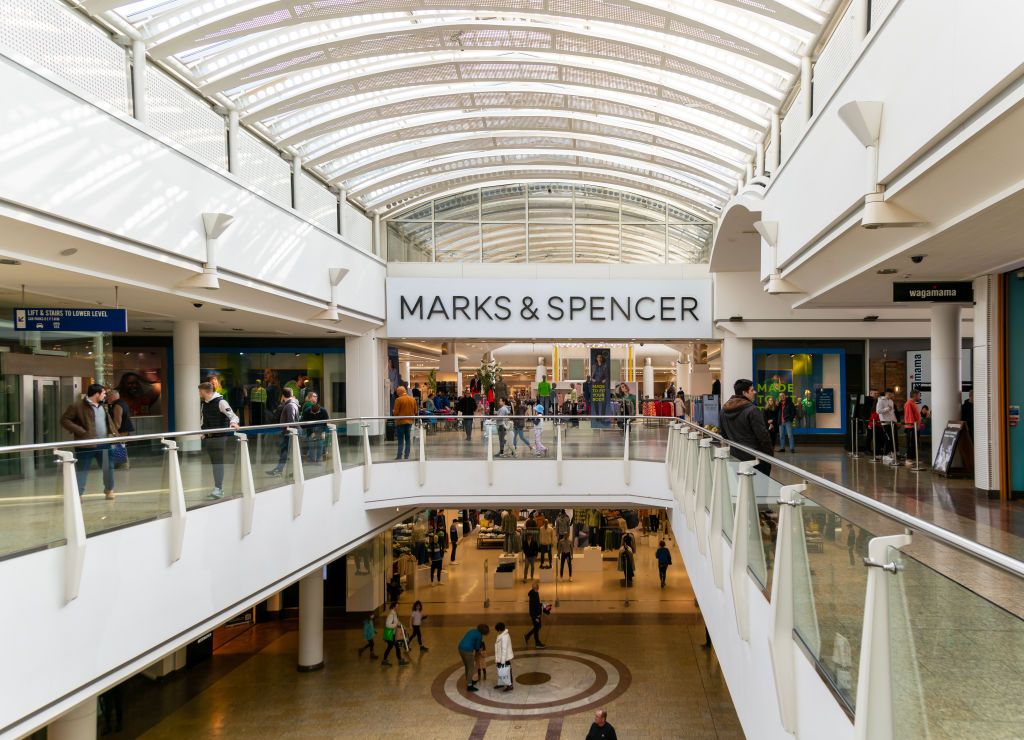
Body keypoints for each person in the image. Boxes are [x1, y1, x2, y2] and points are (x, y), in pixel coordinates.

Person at [61, 384, 117, 499]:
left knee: (108, 467)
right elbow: (64, 420)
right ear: (96, 394)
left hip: (104, 443)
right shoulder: (77, 406)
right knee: (82, 470)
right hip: (85, 444)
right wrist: (81, 431)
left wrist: (115, 435)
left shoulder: (103, 406)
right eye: (103, 393)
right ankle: (78, 494)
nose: (105, 395)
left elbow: (107, 421)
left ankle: (109, 490)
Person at [720, 379, 773, 476]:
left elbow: (724, 434)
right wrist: (769, 457)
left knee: (741, 488)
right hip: (756, 460)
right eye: (752, 390)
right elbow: (763, 437)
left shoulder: (724, 410)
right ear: (744, 393)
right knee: (759, 489)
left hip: (735, 456)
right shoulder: (752, 410)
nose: (755, 392)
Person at [197, 382, 241, 499]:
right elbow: (203, 420)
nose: (199, 393)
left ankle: (219, 488)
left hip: (219, 437)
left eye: (200, 391)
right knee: (214, 463)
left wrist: (233, 423)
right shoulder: (204, 404)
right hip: (209, 438)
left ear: (206, 391)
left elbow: (233, 416)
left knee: (217, 463)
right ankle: (217, 488)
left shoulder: (221, 402)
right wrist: (203, 432)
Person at [266, 387, 300, 476]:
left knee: (284, 452)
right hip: (290, 433)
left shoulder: (289, 405)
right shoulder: (292, 404)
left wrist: (287, 429)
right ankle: (281, 470)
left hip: (289, 433)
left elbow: (291, 421)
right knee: (285, 452)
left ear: (283, 396)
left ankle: (280, 470)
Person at [458, 624, 490, 691]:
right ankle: (469, 686)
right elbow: (477, 647)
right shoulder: (479, 635)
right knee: (471, 668)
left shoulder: (472, 630)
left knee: (467, 666)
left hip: (461, 648)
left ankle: (469, 681)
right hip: (467, 651)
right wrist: (478, 653)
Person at [299, 392, 329, 463]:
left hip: (320, 429)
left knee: (320, 444)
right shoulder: (307, 411)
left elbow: (326, 422)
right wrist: (311, 432)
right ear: (311, 409)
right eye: (313, 413)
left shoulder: (323, 411)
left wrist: (323, 432)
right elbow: (303, 423)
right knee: (311, 445)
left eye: (316, 413)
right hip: (310, 429)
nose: (314, 414)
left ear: (319, 410)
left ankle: (318, 460)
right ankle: (312, 460)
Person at [392, 385, 417, 460]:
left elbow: (395, 413)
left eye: (397, 391)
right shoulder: (412, 399)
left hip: (401, 422)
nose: (396, 393)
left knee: (400, 440)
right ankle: (407, 455)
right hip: (409, 422)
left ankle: (399, 456)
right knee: (408, 439)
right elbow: (415, 411)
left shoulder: (398, 400)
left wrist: (394, 412)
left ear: (400, 392)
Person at [381, 602, 409, 667]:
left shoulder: (394, 614)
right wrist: (395, 625)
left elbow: (397, 621)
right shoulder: (391, 615)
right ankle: (398, 661)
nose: (397, 607)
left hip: (393, 634)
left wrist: (402, 625)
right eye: (397, 606)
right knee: (395, 647)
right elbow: (387, 625)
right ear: (393, 607)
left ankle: (386, 660)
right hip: (391, 635)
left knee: (394, 647)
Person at [876, 388, 898, 458]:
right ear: (886, 394)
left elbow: (892, 412)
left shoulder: (891, 401)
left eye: (891, 394)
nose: (890, 395)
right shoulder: (880, 401)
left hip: (892, 422)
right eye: (889, 394)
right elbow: (878, 411)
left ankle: (891, 453)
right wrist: (887, 409)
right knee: (888, 439)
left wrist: (895, 421)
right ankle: (885, 455)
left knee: (893, 439)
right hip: (885, 422)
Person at [523, 581, 546, 648]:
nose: (538, 589)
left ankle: (528, 637)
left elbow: (536, 604)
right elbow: (534, 606)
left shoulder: (534, 593)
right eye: (537, 588)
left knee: (537, 627)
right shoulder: (534, 595)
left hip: (535, 614)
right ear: (536, 588)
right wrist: (536, 617)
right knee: (537, 627)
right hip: (535, 615)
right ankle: (537, 642)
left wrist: (542, 605)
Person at [493, 621, 515, 692]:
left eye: (497, 630)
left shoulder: (504, 637)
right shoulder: (502, 635)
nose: (497, 632)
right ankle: (502, 683)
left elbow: (504, 649)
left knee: (507, 671)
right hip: (501, 657)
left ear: (499, 630)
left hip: (504, 658)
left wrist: (502, 661)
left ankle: (510, 685)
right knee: (501, 671)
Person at [904, 390, 923, 465]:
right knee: (911, 443)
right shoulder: (909, 403)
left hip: (915, 426)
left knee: (915, 442)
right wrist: (915, 425)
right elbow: (909, 416)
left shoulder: (913, 403)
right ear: (915, 395)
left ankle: (913, 458)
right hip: (911, 427)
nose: (919, 397)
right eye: (919, 395)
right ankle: (909, 459)